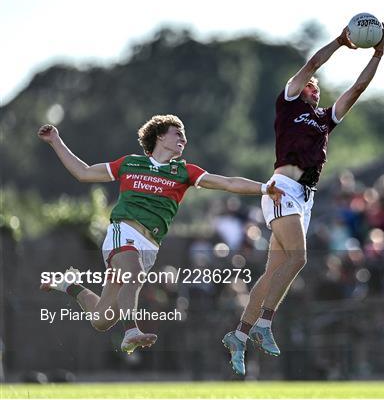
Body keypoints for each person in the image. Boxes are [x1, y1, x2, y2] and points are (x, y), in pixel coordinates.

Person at [38, 115, 284, 354]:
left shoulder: (184, 171)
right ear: (160, 137)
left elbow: (228, 183)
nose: (184, 140)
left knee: (102, 319)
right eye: (178, 133)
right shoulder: (130, 163)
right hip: (122, 233)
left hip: (149, 246)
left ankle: (68, 285)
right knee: (132, 272)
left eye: (184, 136)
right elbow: (84, 172)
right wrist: (56, 140)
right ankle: (131, 331)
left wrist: (264, 188)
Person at [222, 24, 384, 375]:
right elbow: (312, 64)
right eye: (310, 85)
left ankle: (240, 334)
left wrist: (378, 55)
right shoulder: (288, 103)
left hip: (304, 199)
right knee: (299, 257)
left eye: (316, 87)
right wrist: (341, 43)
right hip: (282, 189)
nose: (313, 87)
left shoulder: (324, 120)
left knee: (272, 273)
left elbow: (357, 88)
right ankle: (266, 323)